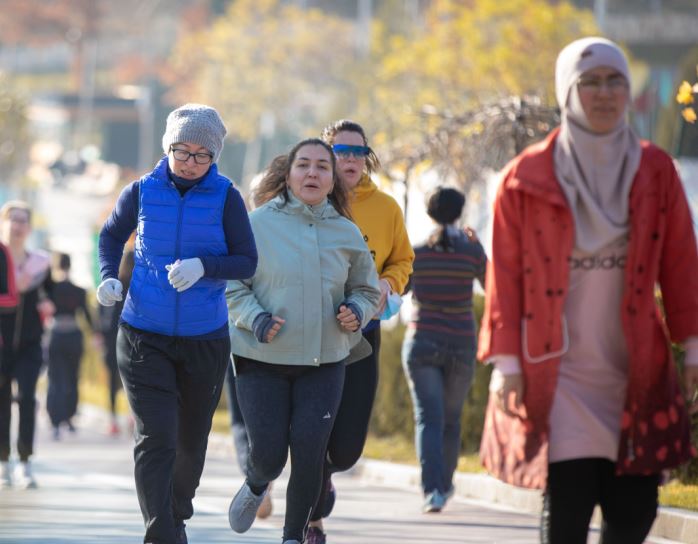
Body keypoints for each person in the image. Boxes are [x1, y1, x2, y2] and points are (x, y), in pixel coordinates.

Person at [478, 37, 698, 544]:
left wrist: (692, 346)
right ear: (567, 92)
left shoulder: (655, 170)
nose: (604, 93)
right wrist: (506, 365)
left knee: (634, 512)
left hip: (633, 366)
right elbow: (504, 278)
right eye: (590, 82)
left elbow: (682, 261)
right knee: (569, 509)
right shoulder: (524, 178)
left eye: (615, 81)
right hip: (558, 373)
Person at [97, 103, 258, 544]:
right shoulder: (141, 191)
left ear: (214, 156)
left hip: (204, 337)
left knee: (190, 440)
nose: (189, 162)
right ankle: (161, 534)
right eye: (181, 151)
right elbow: (111, 235)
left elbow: (247, 261)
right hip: (142, 333)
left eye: (201, 155)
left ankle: (174, 517)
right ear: (166, 147)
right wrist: (109, 276)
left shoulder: (227, 197)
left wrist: (205, 266)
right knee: (157, 437)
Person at [226, 138, 381, 544]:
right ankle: (257, 482)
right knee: (270, 456)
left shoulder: (347, 232)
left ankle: (292, 537)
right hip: (261, 359)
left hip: (325, 361)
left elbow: (366, 290)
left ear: (333, 181)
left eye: (322, 167)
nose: (312, 173)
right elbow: (231, 285)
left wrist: (357, 311)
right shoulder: (256, 224)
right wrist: (255, 317)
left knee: (311, 452)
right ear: (288, 175)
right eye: (304, 165)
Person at [304, 120, 414, 543]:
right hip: (312, 335)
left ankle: (326, 474)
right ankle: (310, 521)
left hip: (362, 334)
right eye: (340, 150)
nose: (349, 159)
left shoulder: (386, 208)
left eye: (357, 151)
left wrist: (389, 283)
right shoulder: (308, 199)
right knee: (312, 430)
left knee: (346, 446)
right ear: (326, 153)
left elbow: (402, 261)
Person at [401, 186, 486, 513]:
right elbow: (493, 286)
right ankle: (445, 484)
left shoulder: (417, 253)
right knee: (451, 419)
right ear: (460, 211)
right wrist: (477, 248)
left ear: (429, 213)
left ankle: (432, 490)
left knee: (428, 419)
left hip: (422, 341)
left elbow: (399, 288)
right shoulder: (471, 252)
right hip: (461, 343)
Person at [0, 200, 53, 489]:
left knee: (28, 397)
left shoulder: (40, 264)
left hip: (30, 344)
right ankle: (3, 461)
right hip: (1, 343)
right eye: (12, 219)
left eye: (22, 220)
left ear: (29, 228)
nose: (17, 225)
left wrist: (47, 303)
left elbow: (52, 295)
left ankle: (25, 461)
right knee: (2, 401)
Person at [46, 252, 99, 440]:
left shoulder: (51, 289)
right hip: (74, 337)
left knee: (54, 378)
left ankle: (54, 421)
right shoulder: (79, 290)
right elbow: (86, 315)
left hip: (56, 335)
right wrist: (95, 334)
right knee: (72, 377)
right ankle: (69, 418)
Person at [98, 248, 134, 436]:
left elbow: (106, 315)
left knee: (112, 382)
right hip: (133, 340)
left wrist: (102, 338)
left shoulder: (115, 286)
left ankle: (112, 420)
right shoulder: (138, 287)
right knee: (132, 380)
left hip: (113, 339)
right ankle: (132, 416)